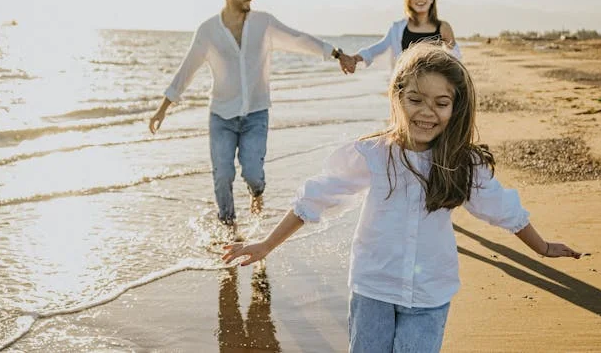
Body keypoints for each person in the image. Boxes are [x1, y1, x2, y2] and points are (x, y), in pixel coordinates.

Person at [222, 44, 581, 352]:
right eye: (415, 99)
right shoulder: (374, 154)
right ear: (397, 96)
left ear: (455, 108)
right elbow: (317, 196)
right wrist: (266, 245)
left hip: (429, 294)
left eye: (441, 103)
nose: (427, 112)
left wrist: (543, 246)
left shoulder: (460, 163)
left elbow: (502, 210)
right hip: (373, 288)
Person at [149, 0, 358, 228]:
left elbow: (300, 40)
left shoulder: (264, 24)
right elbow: (187, 69)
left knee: (253, 174)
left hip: (256, 114)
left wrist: (337, 54)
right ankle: (229, 228)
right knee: (222, 175)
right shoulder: (208, 31)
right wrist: (163, 109)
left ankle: (257, 194)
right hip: (221, 116)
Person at [350, 0, 461, 71]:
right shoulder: (397, 28)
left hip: (433, 88)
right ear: (409, 0)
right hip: (406, 87)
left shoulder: (443, 27)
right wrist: (355, 58)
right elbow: (379, 48)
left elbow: (456, 58)